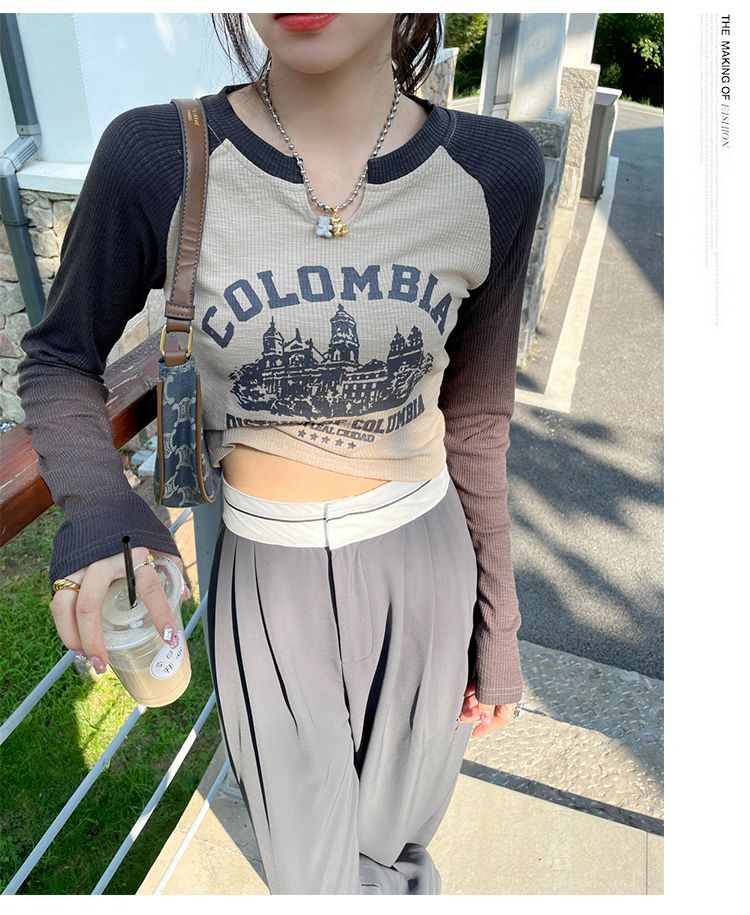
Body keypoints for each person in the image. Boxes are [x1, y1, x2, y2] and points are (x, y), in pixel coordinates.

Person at [17, 12, 545, 895]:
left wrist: (500, 630)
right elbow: (60, 358)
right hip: (270, 575)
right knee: (311, 871)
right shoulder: (158, 156)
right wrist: (103, 509)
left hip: (427, 563)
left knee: (397, 850)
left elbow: (479, 422)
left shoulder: (496, 170)